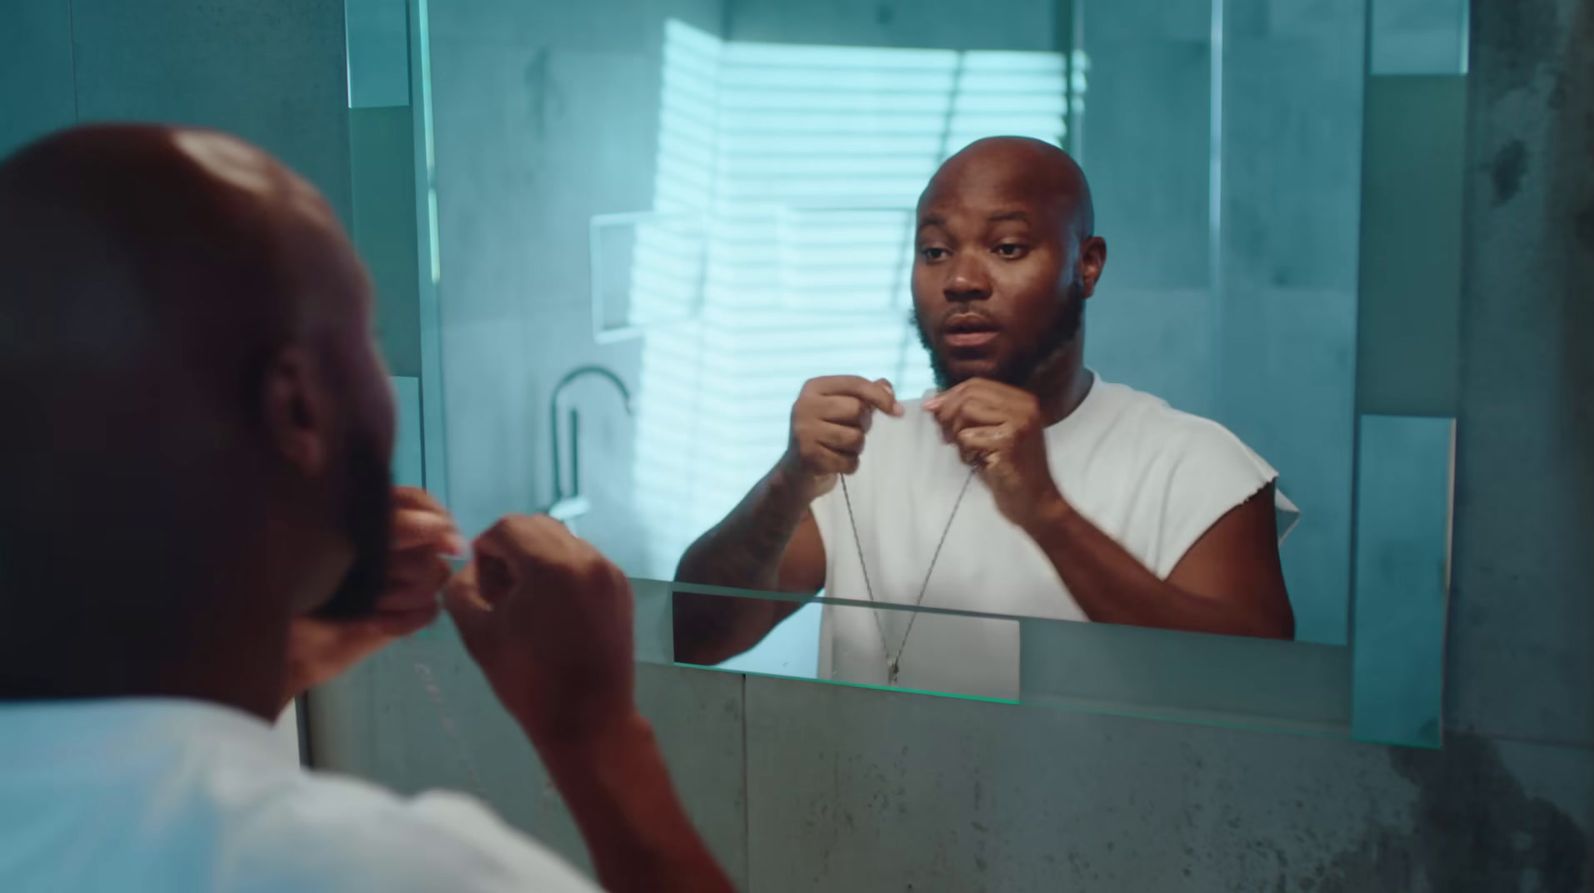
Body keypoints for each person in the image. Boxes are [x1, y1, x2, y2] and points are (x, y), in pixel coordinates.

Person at [0, 124, 733, 893]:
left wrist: (274, 660)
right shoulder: (374, 870)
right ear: (298, 407)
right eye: (371, 338)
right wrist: (598, 734)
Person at [674, 136, 1296, 698]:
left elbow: (1259, 692)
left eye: (1006, 247)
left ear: (1087, 264)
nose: (963, 279)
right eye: (935, 250)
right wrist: (787, 483)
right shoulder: (866, 451)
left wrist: (1048, 512)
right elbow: (693, 638)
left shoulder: (1197, 464)